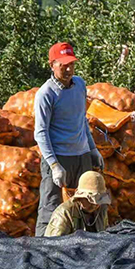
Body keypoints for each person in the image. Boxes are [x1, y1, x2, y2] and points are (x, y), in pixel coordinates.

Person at [34, 42, 105, 237]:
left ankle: (81, 246)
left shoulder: (80, 85)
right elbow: (40, 133)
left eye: (71, 64)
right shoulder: (46, 94)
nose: (68, 69)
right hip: (59, 158)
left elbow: (82, 120)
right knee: (51, 208)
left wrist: (92, 150)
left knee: (85, 206)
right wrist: (54, 165)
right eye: (63, 65)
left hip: (82, 156)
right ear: (52, 65)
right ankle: (42, 247)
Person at [44, 171, 110, 237]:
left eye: (99, 200)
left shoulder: (102, 209)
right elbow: (55, 241)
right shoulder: (64, 213)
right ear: (79, 197)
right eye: (90, 200)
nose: (95, 205)